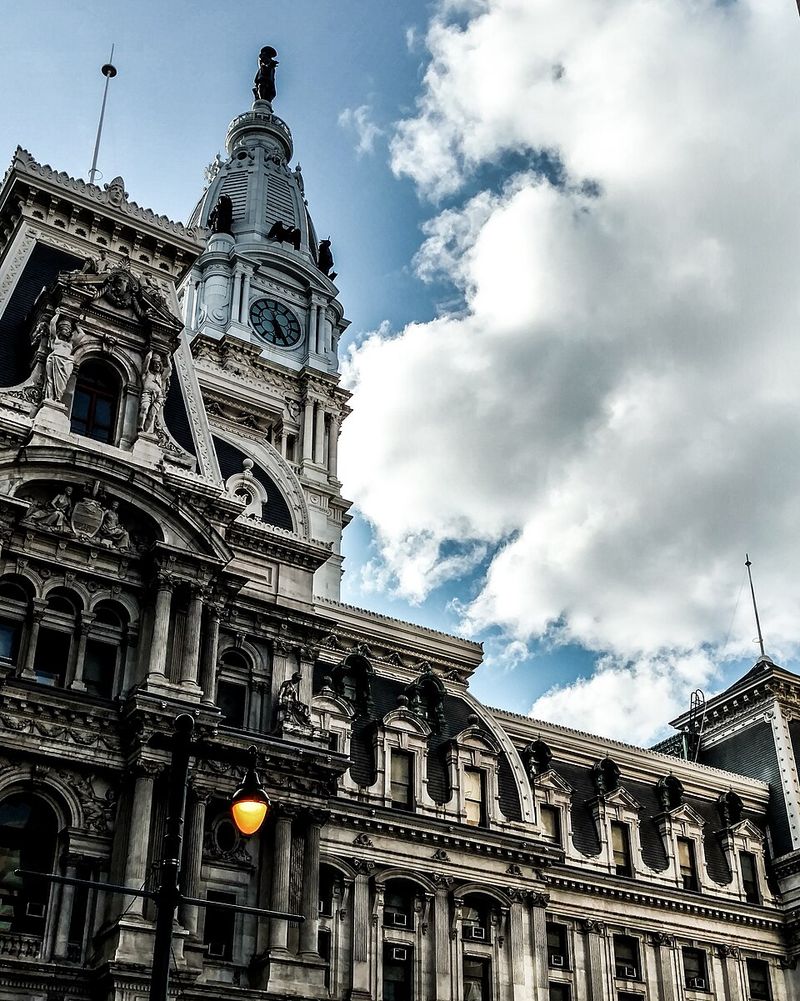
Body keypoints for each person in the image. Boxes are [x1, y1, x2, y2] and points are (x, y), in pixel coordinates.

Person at [44, 314, 76, 403]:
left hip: (66, 363)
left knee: (62, 385)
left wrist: (77, 325)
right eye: (66, 329)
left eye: (69, 330)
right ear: (60, 330)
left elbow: (82, 334)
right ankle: (50, 398)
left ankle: (58, 397)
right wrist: (57, 314)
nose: (68, 332)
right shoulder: (55, 339)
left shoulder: (71, 343)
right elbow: (52, 324)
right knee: (50, 380)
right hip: (55, 359)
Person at [138, 351, 172, 434]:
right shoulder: (146, 373)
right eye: (155, 364)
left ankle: (147, 433)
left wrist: (167, 357)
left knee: (152, 415)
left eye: (159, 364)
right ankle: (140, 427)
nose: (157, 365)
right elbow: (146, 362)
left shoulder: (161, 376)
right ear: (152, 364)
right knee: (144, 408)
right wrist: (151, 352)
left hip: (159, 396)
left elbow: (170, 368)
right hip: (147, 393)